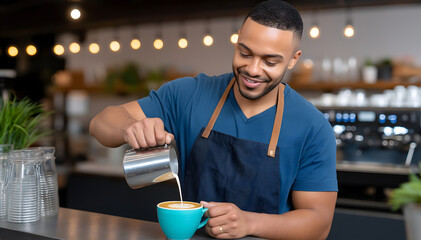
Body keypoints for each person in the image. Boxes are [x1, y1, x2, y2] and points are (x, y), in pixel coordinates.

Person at [90, 0, 338, 239]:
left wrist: (248, 222)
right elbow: (100, 123)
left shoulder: (313, 127)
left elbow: (318, 225)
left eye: (269, 61)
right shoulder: (188, 94)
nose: (252, 69)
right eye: (245, 52)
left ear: (293, 59)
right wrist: (130, 127)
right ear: (237, 39)